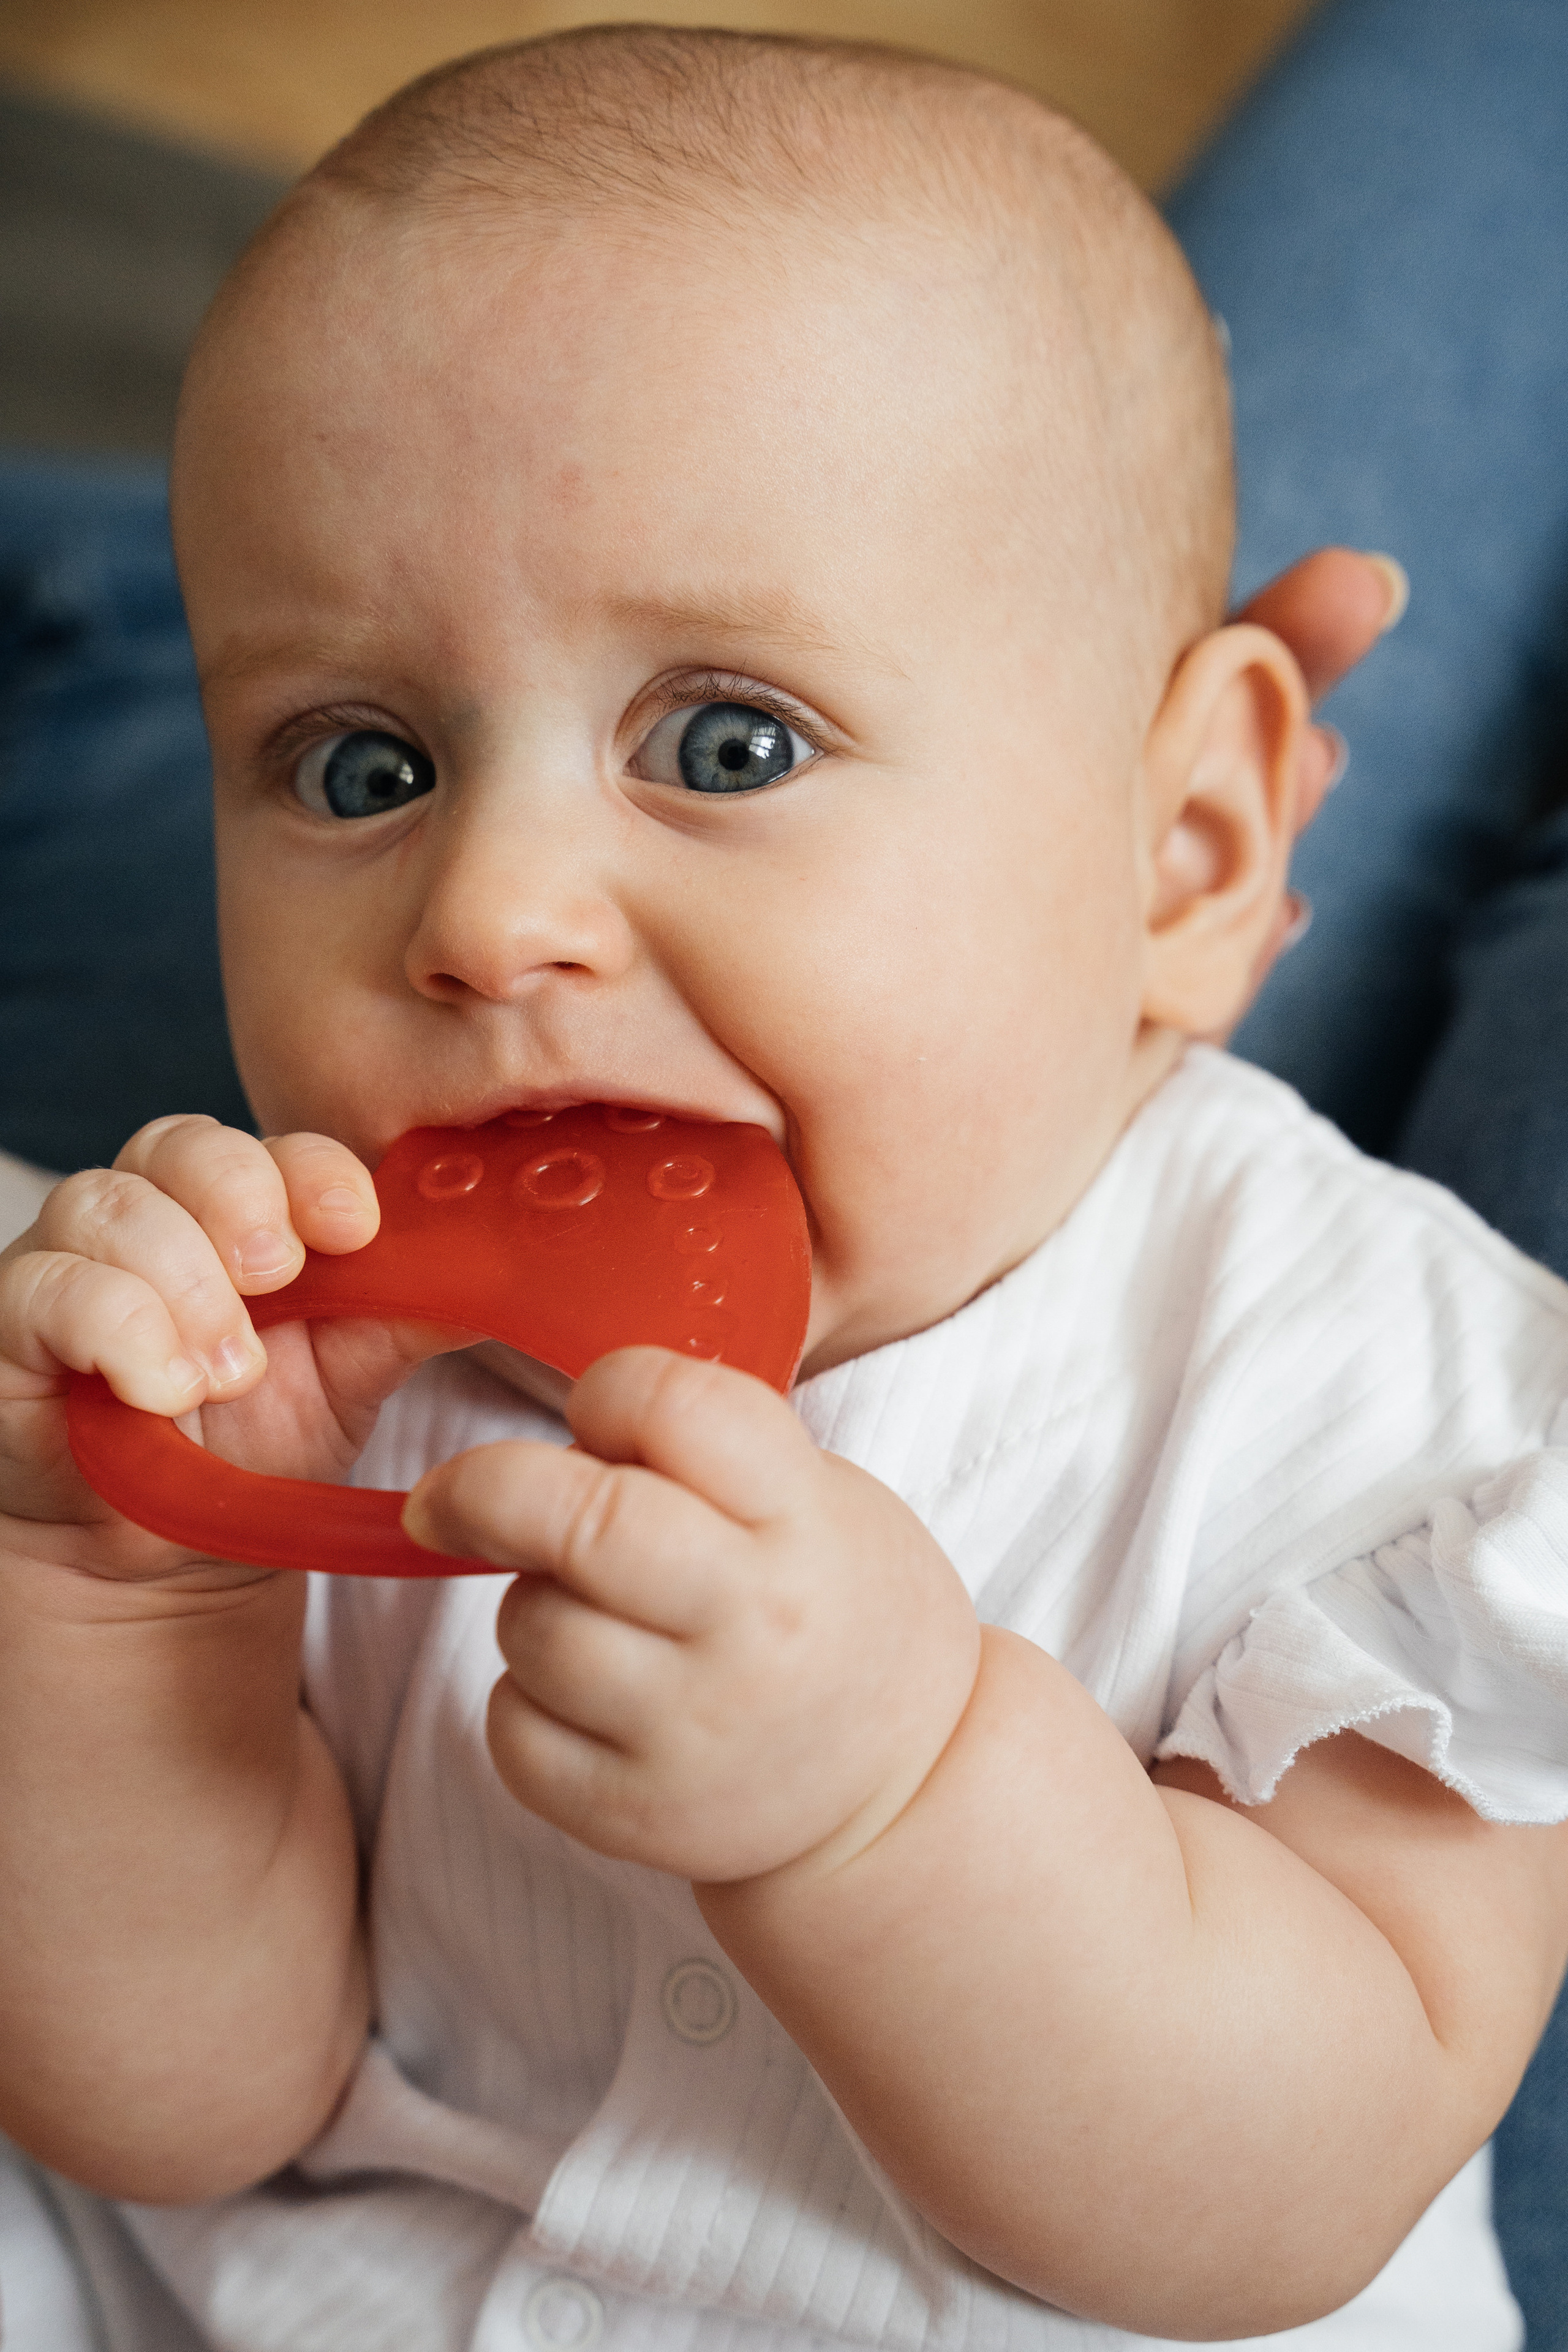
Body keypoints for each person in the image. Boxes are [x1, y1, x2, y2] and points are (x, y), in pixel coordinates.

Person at [2, 25, 1566, 2352]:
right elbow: (198, 2110)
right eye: (360, 761)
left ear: (1194, 840)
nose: (487, 907)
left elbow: (1306, 2185)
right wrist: (112, 1621)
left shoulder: (1359, 1382)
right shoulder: (279, 1353)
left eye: (730, 741)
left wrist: (895, 1804)